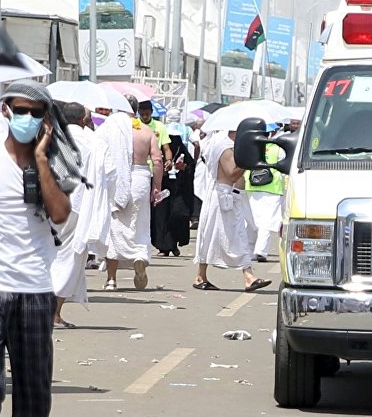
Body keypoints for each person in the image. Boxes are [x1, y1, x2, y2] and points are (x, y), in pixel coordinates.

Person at [0, 81, 73, 417]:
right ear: (6, 110)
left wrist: (40, 159)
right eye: (20, 110)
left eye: (34, 113)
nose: (26, 118)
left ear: (46, 120)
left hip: (35, 290)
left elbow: (59, 214)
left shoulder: (56, 162)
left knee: (35, 393)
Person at [193, 130, 273, 292]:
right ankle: (248, 276)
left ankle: (203, 275)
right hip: (224, 197)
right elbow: (232, 174)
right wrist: (249, 160)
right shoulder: (224, 147)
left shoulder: (231, 145)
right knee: (230, 235)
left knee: (228, 235)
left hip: (233, 196)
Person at [103, 96, 162, 292]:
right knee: (139, 222)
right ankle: (139, 257)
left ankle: (111, 279)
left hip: (116, 178)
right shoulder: (146, 132)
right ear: (136, 110)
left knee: (115, 226)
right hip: (140, 178)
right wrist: (157, 187)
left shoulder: (111, 130)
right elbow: (158, 160)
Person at [51, 102, 95, 328]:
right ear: (82, 120)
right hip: (76, 205)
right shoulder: (90, 142)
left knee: (46, 254)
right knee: (69, 256)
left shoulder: (50, 137)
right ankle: (55, 313)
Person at [151, 123, 195, 257]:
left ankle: (174, 243)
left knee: (177, 215)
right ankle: (164, 246)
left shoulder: (181, 151)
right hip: (163, 186)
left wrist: (184, 168)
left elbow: (191, 166)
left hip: (179, 189)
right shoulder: (159, 151)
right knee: (161, 216)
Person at [244, 126, 285, 263]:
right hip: (272, 188)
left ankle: (248, 252)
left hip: (252, 186)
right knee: (266, 222)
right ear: (271, 133)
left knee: (251, 222)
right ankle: (260, 251)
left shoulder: (251, 147)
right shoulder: (278, 148)